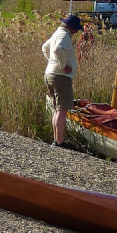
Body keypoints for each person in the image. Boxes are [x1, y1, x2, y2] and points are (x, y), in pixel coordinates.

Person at [42, 14, 84, 147]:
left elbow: (45, 47)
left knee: (57, 109)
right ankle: (59, 141)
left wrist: (52, 61)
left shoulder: (57, 33)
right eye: (76, 28)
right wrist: (63, 65)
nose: (76, 31)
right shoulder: (64, 35)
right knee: (62, 110)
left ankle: (56, 140)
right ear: (70, 27)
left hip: (50, 73)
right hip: (60, 76)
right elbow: (57, 48)